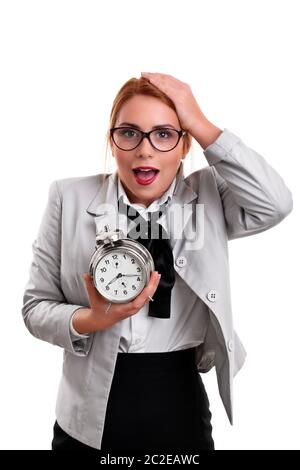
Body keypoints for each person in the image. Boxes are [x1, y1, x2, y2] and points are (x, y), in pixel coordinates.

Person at [21, 72, 293, 452]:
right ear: (111, 142)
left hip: (178, 395)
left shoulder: (209, 196)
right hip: (88, 410)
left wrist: (199, 122)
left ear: (184, 146)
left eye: (164, 134)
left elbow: (275, 203)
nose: (145, 150)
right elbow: (35, 308)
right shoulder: (68, 196)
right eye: (129, 133)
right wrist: (92, 320)